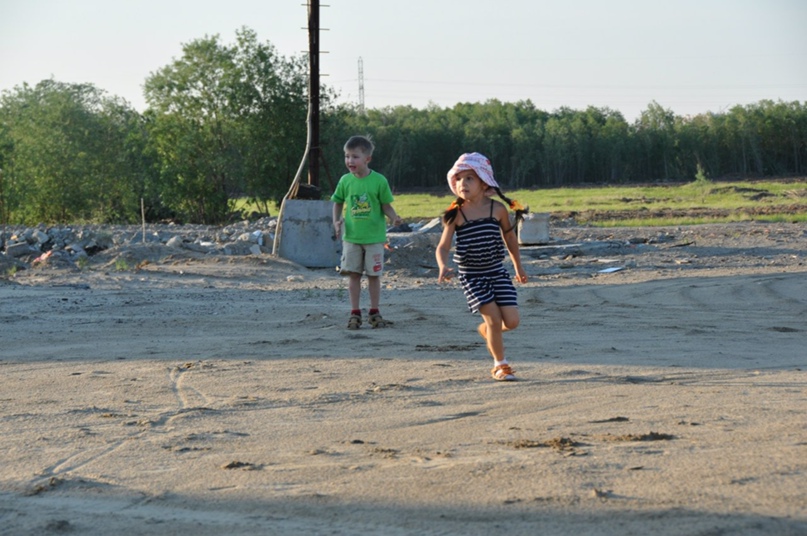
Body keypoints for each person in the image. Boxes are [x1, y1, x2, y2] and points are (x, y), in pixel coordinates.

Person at [435, 152, 528, 381]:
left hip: (497, 272)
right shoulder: (456, 214)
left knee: (511, 322)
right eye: (458, 179)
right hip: (472, 277)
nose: (462, 184)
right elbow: (443, 247)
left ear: (484, 182)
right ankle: (500, 366)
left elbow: (510, 239)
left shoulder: (497, 210)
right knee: (494, 320)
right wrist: (442, 265)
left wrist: (518, 267)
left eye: (469, 178)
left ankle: (487, 331)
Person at [332, 135, 402, 330]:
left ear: (367, 159)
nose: (350, 161)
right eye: (347, 156)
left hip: (374, 239)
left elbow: (386, 205)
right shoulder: (345, 181)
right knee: (353, 275)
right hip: (351, 238)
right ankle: (355, 312)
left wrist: (394, 217)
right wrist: (336, 221)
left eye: (355, 157)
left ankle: (374, 311)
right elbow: (337, 203)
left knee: (373, 276)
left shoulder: (379, 181)